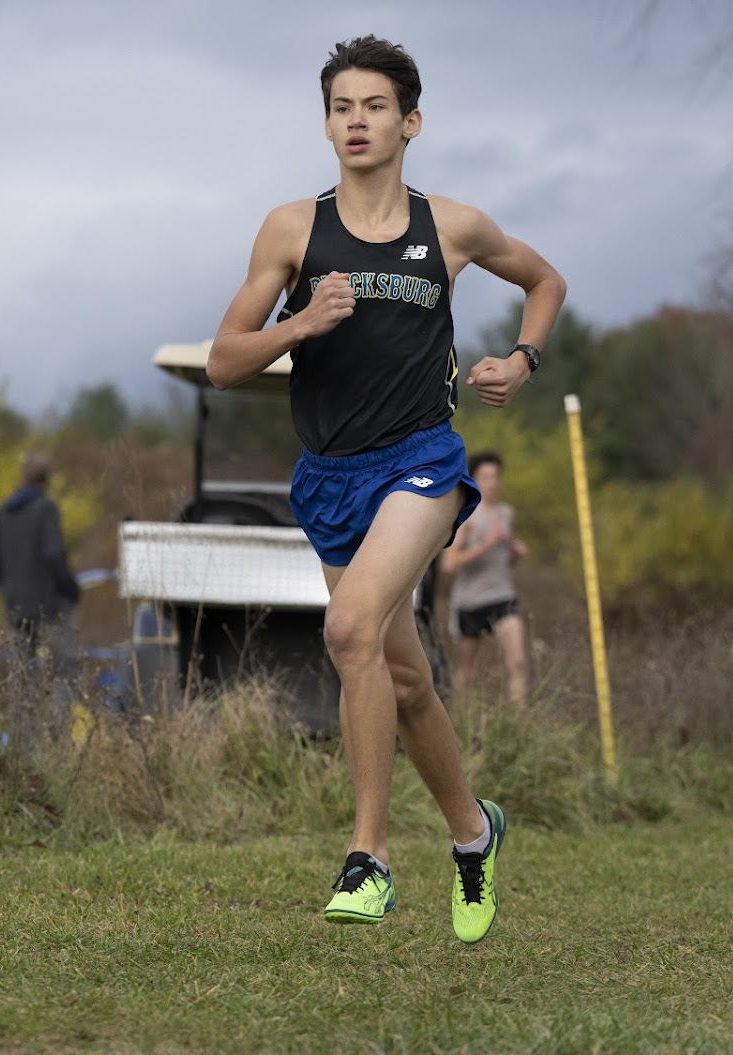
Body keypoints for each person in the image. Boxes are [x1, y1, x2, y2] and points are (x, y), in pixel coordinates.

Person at [205, 35, 566, 941]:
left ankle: (368, 857)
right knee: (401, 679)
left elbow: (545, 280)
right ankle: (474, 833)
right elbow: (223, 361)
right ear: (326, 125)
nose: (356, 122)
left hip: (421, 462)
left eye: (374, 106)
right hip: (330, 477)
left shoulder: (452, 228)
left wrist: (522, 359)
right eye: (341, 108)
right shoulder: (292, 229)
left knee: (347, 628)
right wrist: (301, 324)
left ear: (411, 122)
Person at [0, 452, 82, 751]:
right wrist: (70, 588)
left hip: (16, 606)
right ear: (47, 479)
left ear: (23, 476)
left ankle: (23, 747)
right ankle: (59, 744)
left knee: (22, 677)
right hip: (50, 606)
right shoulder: (46, 509)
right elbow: (53, 554)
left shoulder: (2, 512)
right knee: (63, 671)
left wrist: (10, 589)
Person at [440, 450, 531, 705]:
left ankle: (519, 721)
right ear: (475, 479)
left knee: (519, 661)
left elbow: (504, 561)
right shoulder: (467, 515)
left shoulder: (506, 513)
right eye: (486, 477)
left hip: (502, 596)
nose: (492, 482)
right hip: (470, 601)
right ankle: (459, 719)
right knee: (467, 671)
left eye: (496, 476)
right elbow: (449, 563)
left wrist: (515, 553)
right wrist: (486, 545)